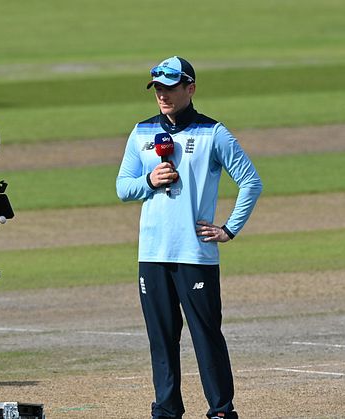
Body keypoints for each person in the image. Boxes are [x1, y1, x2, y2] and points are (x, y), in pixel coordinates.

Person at [116, 56, 263, 419]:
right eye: (158, 89)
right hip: (152, 255)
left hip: (194, 254)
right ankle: (166, 411)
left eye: (170, 87)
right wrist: (149, 182)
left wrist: (228, 228)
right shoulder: (141, 132)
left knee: (206, 336)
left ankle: (221, 411)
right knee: (161, 341)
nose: (163, 95)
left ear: (190, 88)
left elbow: (251, 181)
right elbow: (123, 187)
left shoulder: (214, 133)